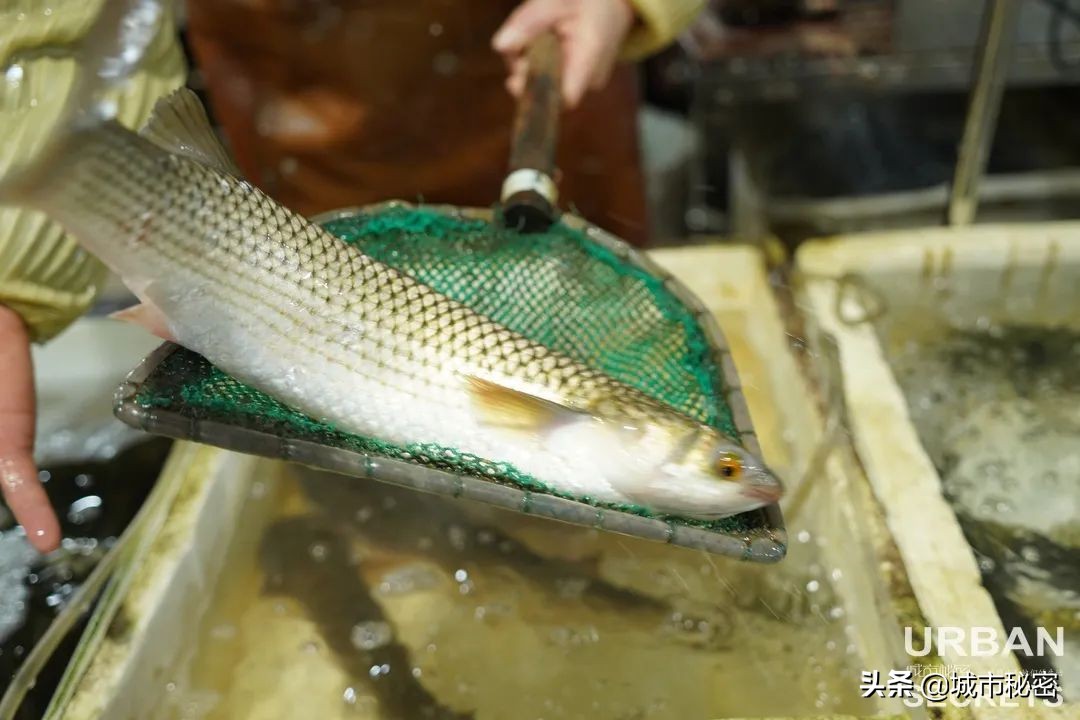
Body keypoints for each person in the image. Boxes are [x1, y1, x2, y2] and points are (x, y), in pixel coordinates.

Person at [0, 0, 704, 553]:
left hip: (539, 83)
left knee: (569, 534)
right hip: (296, 143)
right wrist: (15, 262)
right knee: (357, 513)